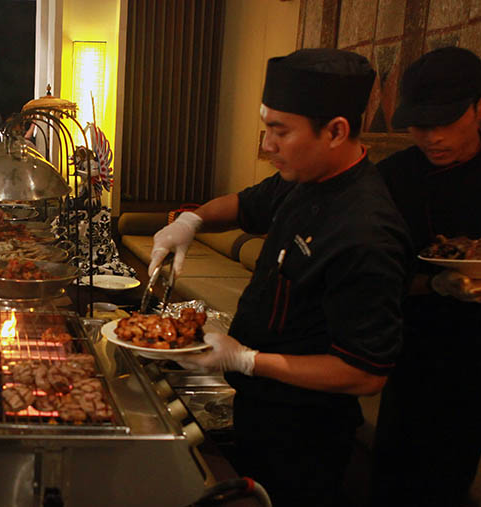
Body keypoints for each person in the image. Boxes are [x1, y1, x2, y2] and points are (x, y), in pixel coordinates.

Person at [153, 49, 412, 506]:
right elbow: (244, 205)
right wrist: (189, 222)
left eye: (280, 131)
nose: (267, 145)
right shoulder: (304, 175)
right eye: (265, 127)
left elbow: (365, 373)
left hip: (306, 436)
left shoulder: (365, 230)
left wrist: (246, 359)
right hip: (260, 412)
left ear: (335, 131)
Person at [371, 47, 481, 507]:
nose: (430, 137)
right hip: (411, 336)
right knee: (394, 461)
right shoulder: (392, 177)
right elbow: (376, 270)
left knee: (454, 465)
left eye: (445, 122)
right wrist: (435, 283)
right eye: (418, 124)